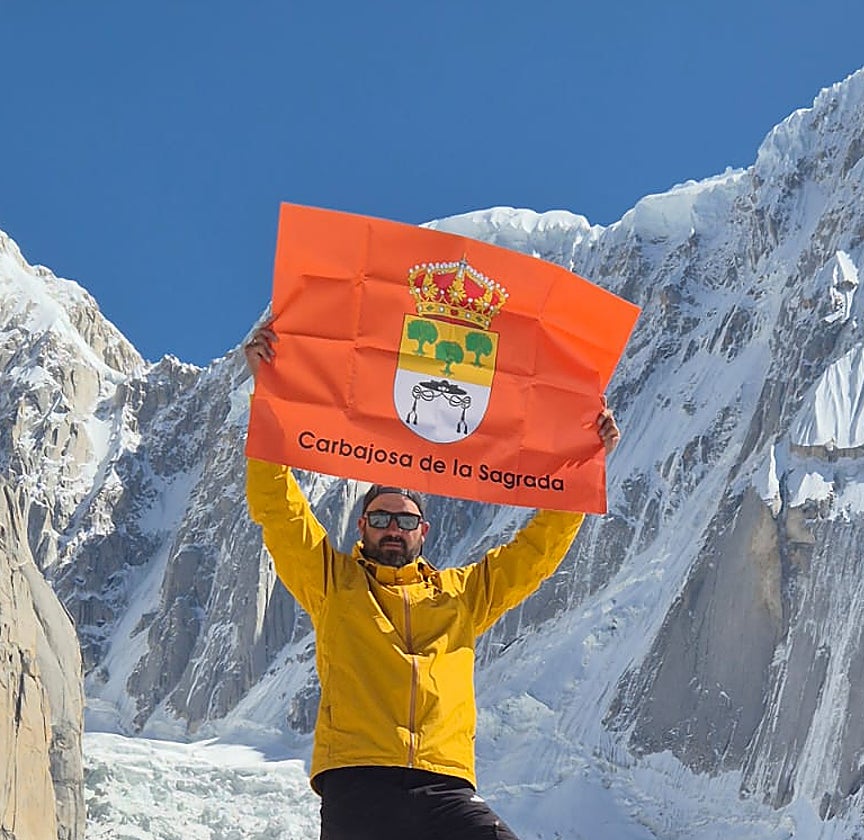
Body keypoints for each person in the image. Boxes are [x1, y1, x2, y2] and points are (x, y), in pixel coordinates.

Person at [243, 323, 620, 839]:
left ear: (423, 531)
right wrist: (266, 395)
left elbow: (534, 554)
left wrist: (585, 467)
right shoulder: (333, 583)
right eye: (380, 519)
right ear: (362, 528)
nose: (391, 529)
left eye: (403, 520)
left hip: (445, 785)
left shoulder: (463, 595)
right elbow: (279, 512)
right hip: (359, 779)